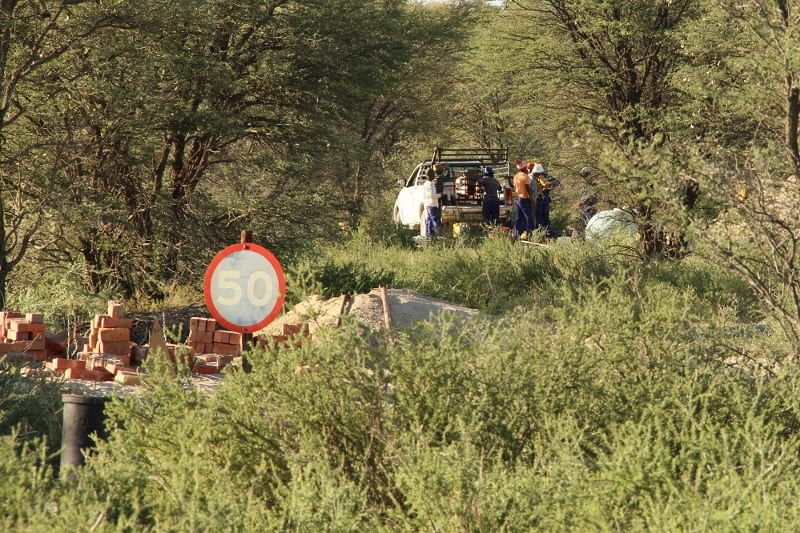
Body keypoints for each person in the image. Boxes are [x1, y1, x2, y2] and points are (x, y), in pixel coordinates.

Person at [512, 161, 536, 239]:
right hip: (524, 199)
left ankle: (515, 234)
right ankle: (532, 235)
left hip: (517, 199)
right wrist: (532, 202)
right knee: (529, 217)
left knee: (519, 217)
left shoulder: (515, 176)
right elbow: (527, 190)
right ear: (525, 169)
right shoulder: (525, 176)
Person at [530, 162, 554, 237]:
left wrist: (544, 190)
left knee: (541, 217)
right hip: (539, 199)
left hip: (540, 198)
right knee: (541, 217)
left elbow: (547, 184)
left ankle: (544, 233)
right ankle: (543, 232)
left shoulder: (539, 177)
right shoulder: (533, 178)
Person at [423, 166, 441, 237]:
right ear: (431, 175)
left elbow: (424, 195)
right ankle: (437, 235)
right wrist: (440, 195)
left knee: (429, 221)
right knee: (435, 221)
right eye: (433, 174)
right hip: (433, 205)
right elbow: (432, 195)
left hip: (428, 205)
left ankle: (429, 235)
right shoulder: (431, 184)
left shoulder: (425, 184)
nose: (434, 175)